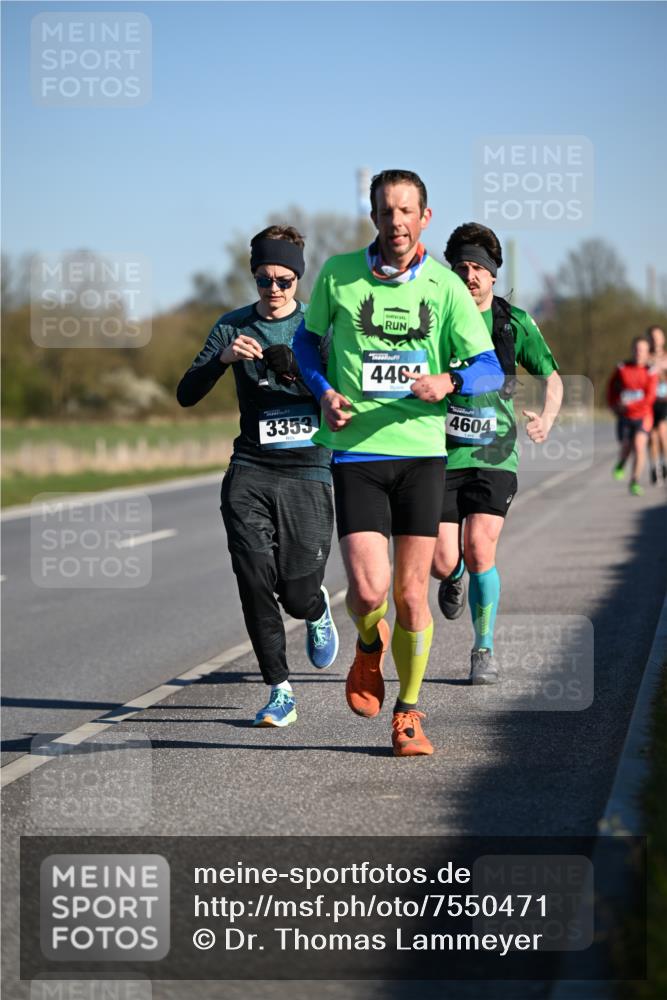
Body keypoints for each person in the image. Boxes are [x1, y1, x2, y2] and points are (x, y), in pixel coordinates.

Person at [293, 169, 504, 756]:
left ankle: (408, 714)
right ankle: (367, 645)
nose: (397, 222)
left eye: (408, 211)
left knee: (413, 596)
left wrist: (449, 378)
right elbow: (307, 343)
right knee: (366, 590)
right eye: (387, 212)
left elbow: (486, 367)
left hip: (422, 455)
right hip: (358, 450)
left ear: (425, 218)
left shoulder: (444, 286)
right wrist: (322, 391)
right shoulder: (338, 275)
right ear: (374, 218)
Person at [177, 225, 338, 727]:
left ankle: (315, 609)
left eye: (284, 280)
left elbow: (342, 403)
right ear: (254, 276)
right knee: (252, 578)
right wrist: (223, 359)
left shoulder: (319, 328)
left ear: (297, 279)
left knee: (295, 592)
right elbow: (186, 393)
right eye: (265, 279)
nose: (273, 290)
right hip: (252, 467)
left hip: (309, 470)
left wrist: (299, 373)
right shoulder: (232, 326)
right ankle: (279, 690)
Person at [431, 223, 562, 684]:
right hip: (443, 456)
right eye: (461, 268)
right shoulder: (437, 319)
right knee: (442, 560)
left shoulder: (512, 322)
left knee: (480, 546)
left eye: (477, 269)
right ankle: (453, 574)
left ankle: (482, 648)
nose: (468, 276)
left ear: (492, 274)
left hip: (494, 455)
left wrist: (546, 418)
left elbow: (552, 376)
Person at [607, 335, 658, 496]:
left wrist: (631, 404)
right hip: (624, 416)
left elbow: (650, 397)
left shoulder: (650, 372)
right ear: (632, 350)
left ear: (647, 353)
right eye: (636, 349)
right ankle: (621, 463)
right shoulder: (622, 368)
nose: (638, 353)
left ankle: (634, 481)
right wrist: (615, 404)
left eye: (642, 350)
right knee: (626, 447)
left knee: (639, 446)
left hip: (643, 415)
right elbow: (611, 389)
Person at [647, 325, 667, 484]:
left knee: (663, 432)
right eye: (652, 337)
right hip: (649, 401)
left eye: (658, 336)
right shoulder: (645, 358)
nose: (655, 340)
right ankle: (654, 467)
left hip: (664, 400)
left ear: (663, 339)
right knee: (652, 437)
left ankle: (664, 463)